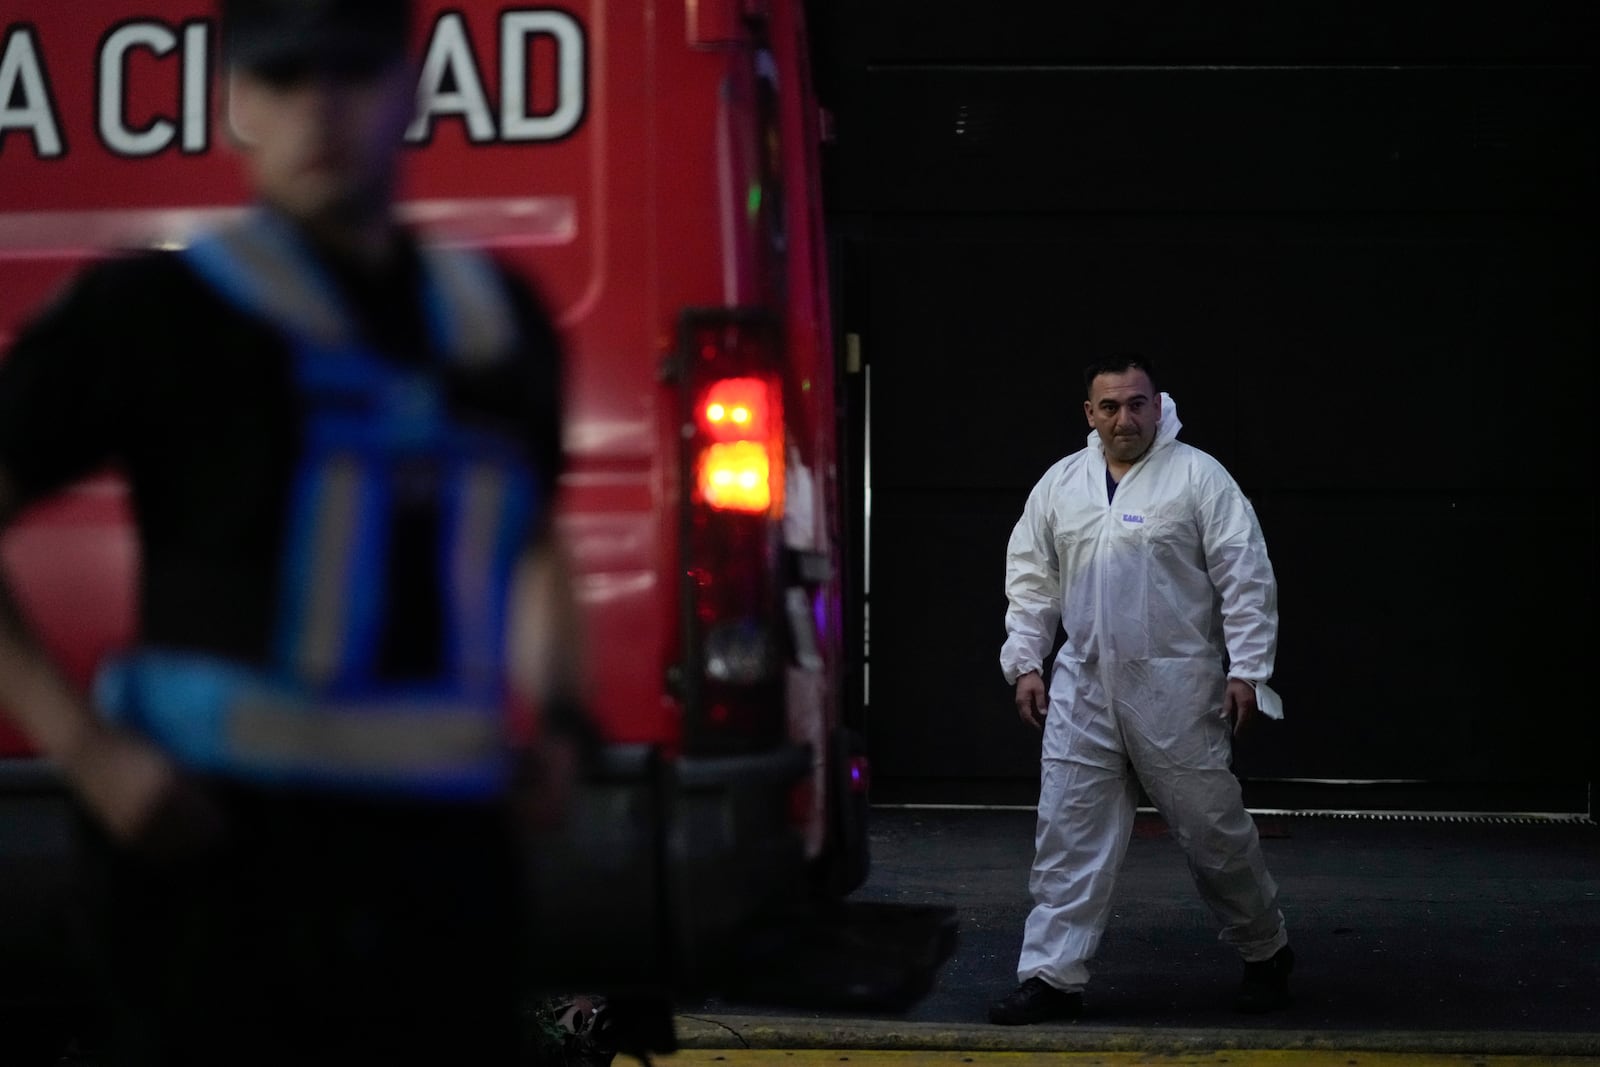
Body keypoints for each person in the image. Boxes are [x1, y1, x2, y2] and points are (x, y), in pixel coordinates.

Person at [0, 0, 590, 1063]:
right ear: (233, 107)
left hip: (444, 867)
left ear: (410, 94)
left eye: (350, 74)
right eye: (282, 79)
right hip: (214, 862)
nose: (318, 109)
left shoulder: (494, 319)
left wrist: (552, 715)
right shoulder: (153, 311)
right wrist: (87, 752)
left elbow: (529, 536)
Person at [989, 353, 1294, 1025]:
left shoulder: (1197, 477)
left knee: (1213, 833)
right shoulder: (1062, 485)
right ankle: (1051, 975)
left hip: (1177, 687)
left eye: (1136, 403)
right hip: (1085, 686)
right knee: (1068, 834)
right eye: (1110, 406)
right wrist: (1028, 661)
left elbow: (1245, 574)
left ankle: (1266, 949)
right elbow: (1031, 577)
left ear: (1159, 406)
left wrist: (1248, 668)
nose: (1124, 417)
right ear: (1089, 414)